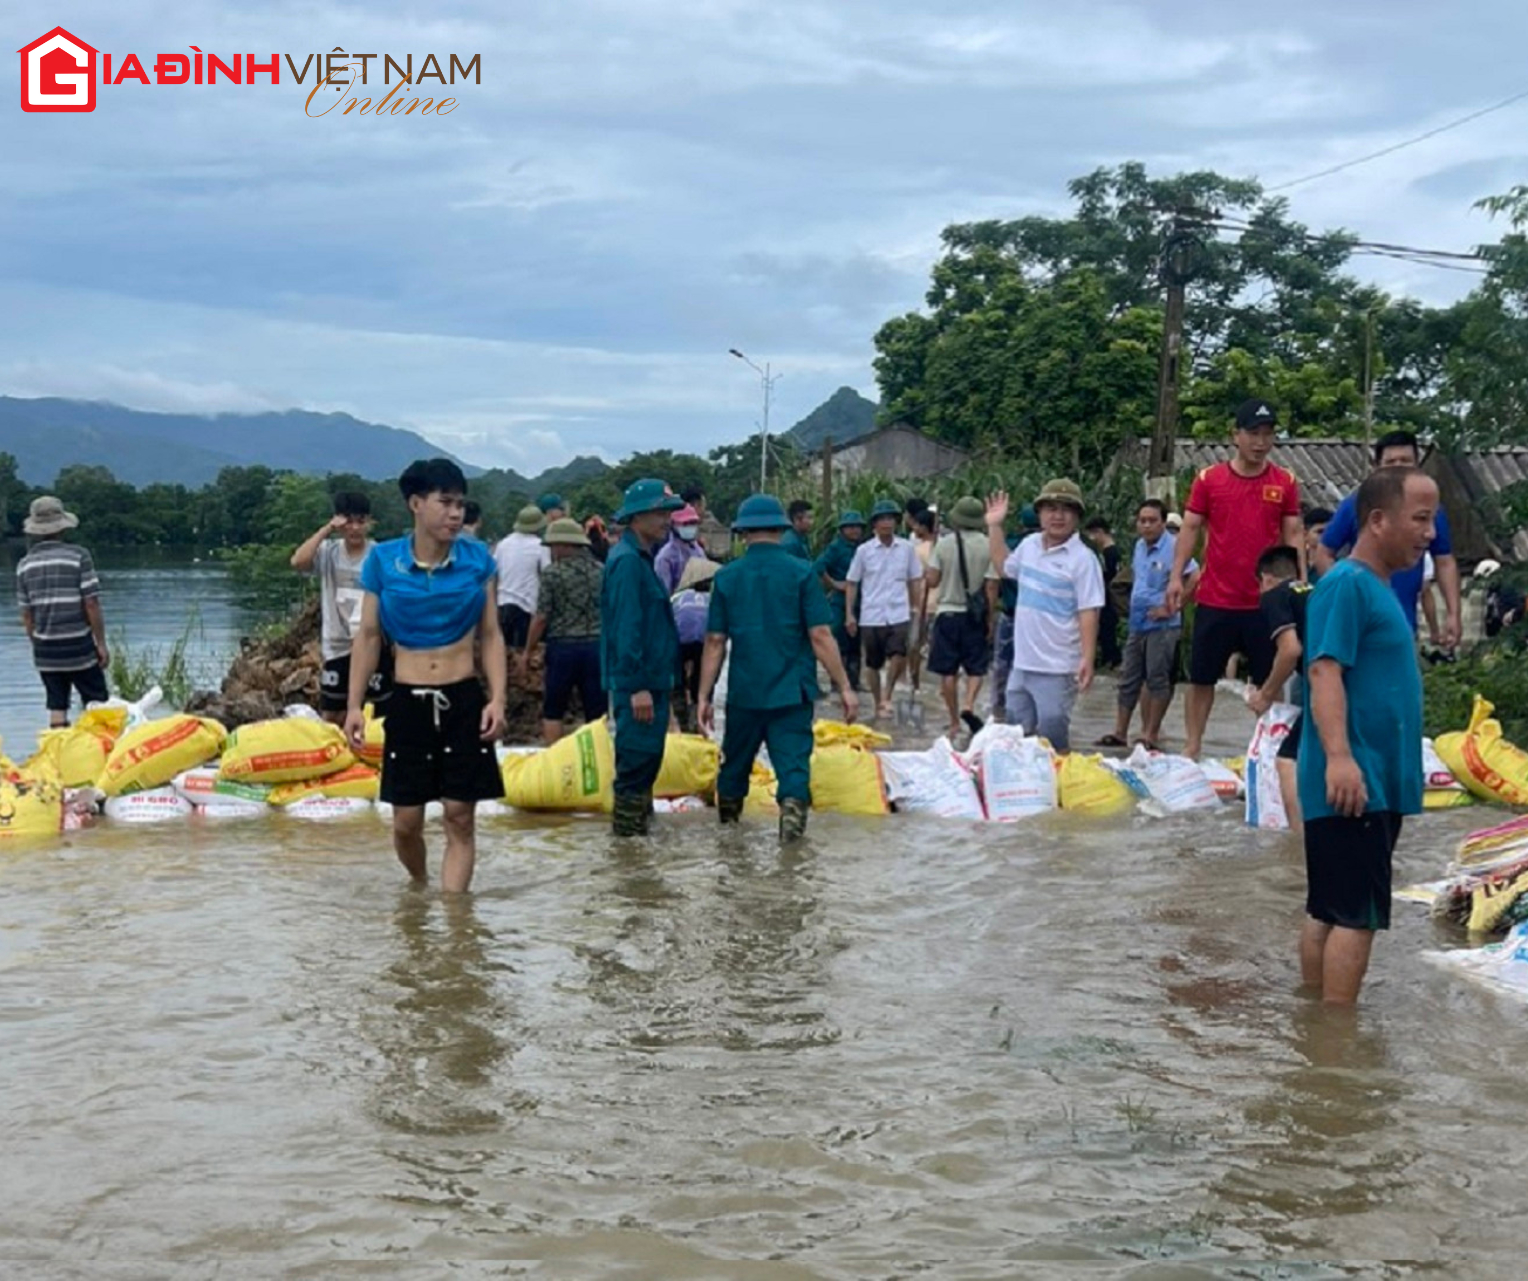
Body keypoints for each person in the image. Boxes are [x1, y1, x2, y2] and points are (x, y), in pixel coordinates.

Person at [1297, 467, 1436, 1005]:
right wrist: (1340, 758)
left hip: (1367, 778)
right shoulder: (1347, 584)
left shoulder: (1374, 586)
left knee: (1331, 909)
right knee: (1357, 916)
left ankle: (1314, 1024)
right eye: (1420, 519)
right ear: (1378, 520)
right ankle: (1336, 1044)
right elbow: (1323, 670)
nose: (1429, 533)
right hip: (1356, 779)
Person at [345, 459, 506, 894]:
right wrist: (354, 707)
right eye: (445, 502)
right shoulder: (384, 561)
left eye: (460, 504)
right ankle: (419, 886)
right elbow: (369, 635)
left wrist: (498, 699)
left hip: (463, 696)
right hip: (407, 700)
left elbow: (491, 634)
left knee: (459, 815)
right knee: (405, 821)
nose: (455, 513)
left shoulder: (478, 560)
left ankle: (456, 921)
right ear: (416, 503)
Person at [697, 495, 858, 842]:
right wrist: (844, 686)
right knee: (793, 765)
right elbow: (819, 634)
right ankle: (791, 834)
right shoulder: (801, 572)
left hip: (745, 691)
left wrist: (703, 696)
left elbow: (714, 641)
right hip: (792, 690)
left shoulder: (726, 577)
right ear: (781, 528)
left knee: (735, 764)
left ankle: (729, 836)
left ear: (742, 533)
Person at [1167, 398, 1303, 759]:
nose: (1260, 442)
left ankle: (1264, 750)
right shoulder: (1209, 480)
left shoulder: (1284, 482)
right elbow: (1191, 528)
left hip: (1265, 603)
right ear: (1236, 436)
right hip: (1216, 597)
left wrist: (1301, 586)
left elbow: (1293, 536)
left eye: (1268, 434)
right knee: (1201, 678)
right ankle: (1192, 746)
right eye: (1253, 434)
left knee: (1268, 681)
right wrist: (1176, 577)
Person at [1313, 430, 1461, 648]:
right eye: (1391, 462)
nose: (1398, 468)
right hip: (1361, 623)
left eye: (1405, 462)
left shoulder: (1430, 510)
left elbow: (1445, 561)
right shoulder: (1356, 505)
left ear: (1417, 465)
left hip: (1404, 623)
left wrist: (1453, 613)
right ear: (1377, 466)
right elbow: (1324, 552)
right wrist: (1343, 595)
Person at [985, 480, 1104, 753]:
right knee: (1017, 732)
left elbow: (1088, 611)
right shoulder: (1029, 546)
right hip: (1024, 662)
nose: (1058, 516)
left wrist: (1087, 658)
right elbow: (1004, 567)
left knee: (1052, 732)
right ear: (1039, 514)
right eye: (1050, 508)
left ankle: (1058, 784)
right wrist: (994, 526)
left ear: (1077, 517)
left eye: (1066, 510)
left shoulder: (1083, 560)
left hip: (1059, 666)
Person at [601, 478, 684, 837]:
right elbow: (626, 628)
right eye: (659, 513)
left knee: (647, 760)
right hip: (639, 685)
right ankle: (627, 851)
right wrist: (636, 686)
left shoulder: (639, 558)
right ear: (636, 518)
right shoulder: (628, 564)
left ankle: (638, 849)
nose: (667, 520)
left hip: (650, 681)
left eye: (668, 512)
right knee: (636, 763)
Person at [1099, 499, 1197, 751]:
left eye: (1152, 520)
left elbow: (1195, 576)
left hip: (1163, 625)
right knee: (1128, 677)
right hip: (1138, 622)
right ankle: (1120, 732)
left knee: (1157, 677)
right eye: (1142, 520)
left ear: (1163, 522)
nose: (1146, 525)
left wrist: (1173, 606)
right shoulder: (1139, 547)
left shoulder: (1175, 547)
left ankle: (1150, 733)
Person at [290, 490, 392, 726]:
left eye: (361, 521)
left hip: (371, 643)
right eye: (349, 522)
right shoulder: (329, 552)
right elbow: (298, 561)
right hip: (337, 645)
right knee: (333, 713)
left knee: (377, 712)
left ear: (369, 522)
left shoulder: (378, 555)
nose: (355, 528)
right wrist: (327, 529)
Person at [15, 495, 109, 728]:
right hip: (79, 645)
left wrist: (38, 643)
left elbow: (27, 616)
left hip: (46, 650)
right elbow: (91, 603)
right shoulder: (79, 556)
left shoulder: (24, 565)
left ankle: (59, 752)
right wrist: (101, 643)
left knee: (56, 705)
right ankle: (99, 754)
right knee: (97, 704)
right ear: (62, 527)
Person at [518, 518, 606, 745]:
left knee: (554, 708)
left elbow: (541, 617)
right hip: (596, 648)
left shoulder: (552, 574)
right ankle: (597, 758)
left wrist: (528, 650)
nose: (552, 551)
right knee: (596, 711)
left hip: (563, 649)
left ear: (565, 545)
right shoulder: (601, 571)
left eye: (554, 546)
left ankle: (554, 758)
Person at [924, 496, 999, 741]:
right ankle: (968, 704)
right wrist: (990, 619)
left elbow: (932, 581)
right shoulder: (989, 545)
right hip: (974, 616)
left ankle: (954, 721)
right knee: (976, 667)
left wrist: (930, 567)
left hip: (946, 613)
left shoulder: (943, 544)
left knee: (948, 671)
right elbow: (990, 587)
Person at [845, 499, 925, 721]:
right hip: (871, 614)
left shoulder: (907, 549)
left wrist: (916, 606)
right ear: (875, 524)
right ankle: (877, 698)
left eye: (890, 519)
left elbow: (915, 579)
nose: (887, 523)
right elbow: (852, 582)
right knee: (872, 662)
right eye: (882, 519)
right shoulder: (864, 551)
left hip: (899, 611)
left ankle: (887, 695)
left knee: (899, 654)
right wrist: (849, 614)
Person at [1248, 545, 1310, 829]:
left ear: (1267, 578)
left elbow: (1290, 650)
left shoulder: (1275, 596)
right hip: (1358, 679)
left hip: (1332, 685)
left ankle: (1298, 843)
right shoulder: (1312, 590)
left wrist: (1265, 695)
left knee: (1287, 759)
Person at [989, 504, 1038, 724]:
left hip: (1010, 614)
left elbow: (995, 581)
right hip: (1040, 619)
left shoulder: (1010, 545)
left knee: (1003, 663)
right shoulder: (1044, 547)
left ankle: (1000, 709)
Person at [815, 510, 865, 693]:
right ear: (843, 530)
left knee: (856, 643)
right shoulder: (835, 548)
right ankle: (838, 682)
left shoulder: (863, 547)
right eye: (850, 527)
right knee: (839, 641)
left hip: (861, 600)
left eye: (857, 527)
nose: (855, 531)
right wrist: (835, 583)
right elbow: (818, 567)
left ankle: (855, 681)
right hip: (839, 601)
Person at [671, 557, 720, 732]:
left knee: (676, 682)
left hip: (676, 642)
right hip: (703, 643)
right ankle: (699, 716)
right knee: (701, 684)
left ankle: (681, 719)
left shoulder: (676, 597)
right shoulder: (712, 600)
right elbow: (717, 637)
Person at [493, 505, 550, 653]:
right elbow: (547, 574)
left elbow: (494, 574)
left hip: (502, 603)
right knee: (523, 653)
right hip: (527, 606)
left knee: (504, 652)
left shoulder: (503, 544)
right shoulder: (540, 546)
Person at [1083, 517, 1123, 669]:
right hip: (1104, 598)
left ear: (1099, 532)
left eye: (1092, 534)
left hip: (1108, 598)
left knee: (1107, 630)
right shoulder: (1105, 552)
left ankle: (1112, 658)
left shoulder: (1110, 553)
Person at [907, 508, 939, 694]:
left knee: (915, 646)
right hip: (934, 604)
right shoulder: (941, 547)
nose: (914, 527)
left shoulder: (918, 550)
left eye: (918, 524)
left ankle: (915, 681)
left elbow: (914, 579)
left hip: (923, 604)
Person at [654, 504, 705, 594]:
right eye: (685, 524)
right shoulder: (665, 557)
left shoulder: (698, 552)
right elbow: (664, 592)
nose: (690, 527)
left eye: (692, 523)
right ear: (673, 525)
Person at [683, 484, 732, 561]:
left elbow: (721, 552)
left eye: (700, 504)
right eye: (692, 504)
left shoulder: (712, 524)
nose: (697, 507)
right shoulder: (678, 526)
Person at [1302, 507, 1333, 583]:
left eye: (1329, 532)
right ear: (1305, 534)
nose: (1325, 536)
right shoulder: (1296, 565)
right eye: (1320, 532)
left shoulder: (1339, 567)